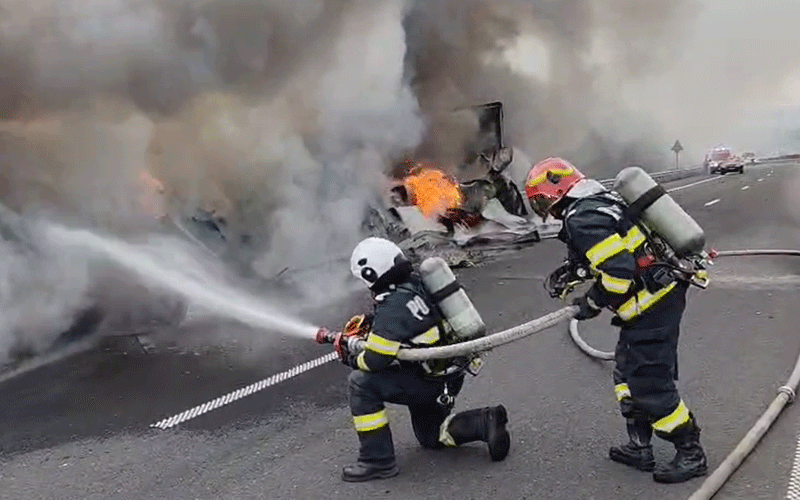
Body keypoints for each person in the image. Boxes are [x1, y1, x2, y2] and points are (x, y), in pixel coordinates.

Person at [524, 158, 707, 484]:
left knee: (649, 383)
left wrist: (590, 303)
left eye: (542, 199)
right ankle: (640, 447)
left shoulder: (582, 218)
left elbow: (618, 274)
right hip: (657, 297)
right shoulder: (601, 202)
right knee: (625, 370)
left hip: (651, 305)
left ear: (557, 190)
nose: (544, 208)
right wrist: (574, 271)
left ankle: (690, 451)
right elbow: (614, 248)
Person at [337, 236, 510, 482]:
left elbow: (375, 361)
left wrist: (350, 357)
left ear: (370, 273)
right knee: (431, 438)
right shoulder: (417, 283)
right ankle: (485, 421)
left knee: (360, 383)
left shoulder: (392, 306)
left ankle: (377, 461)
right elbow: (409, 325)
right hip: (446, 373)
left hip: (427, 381)